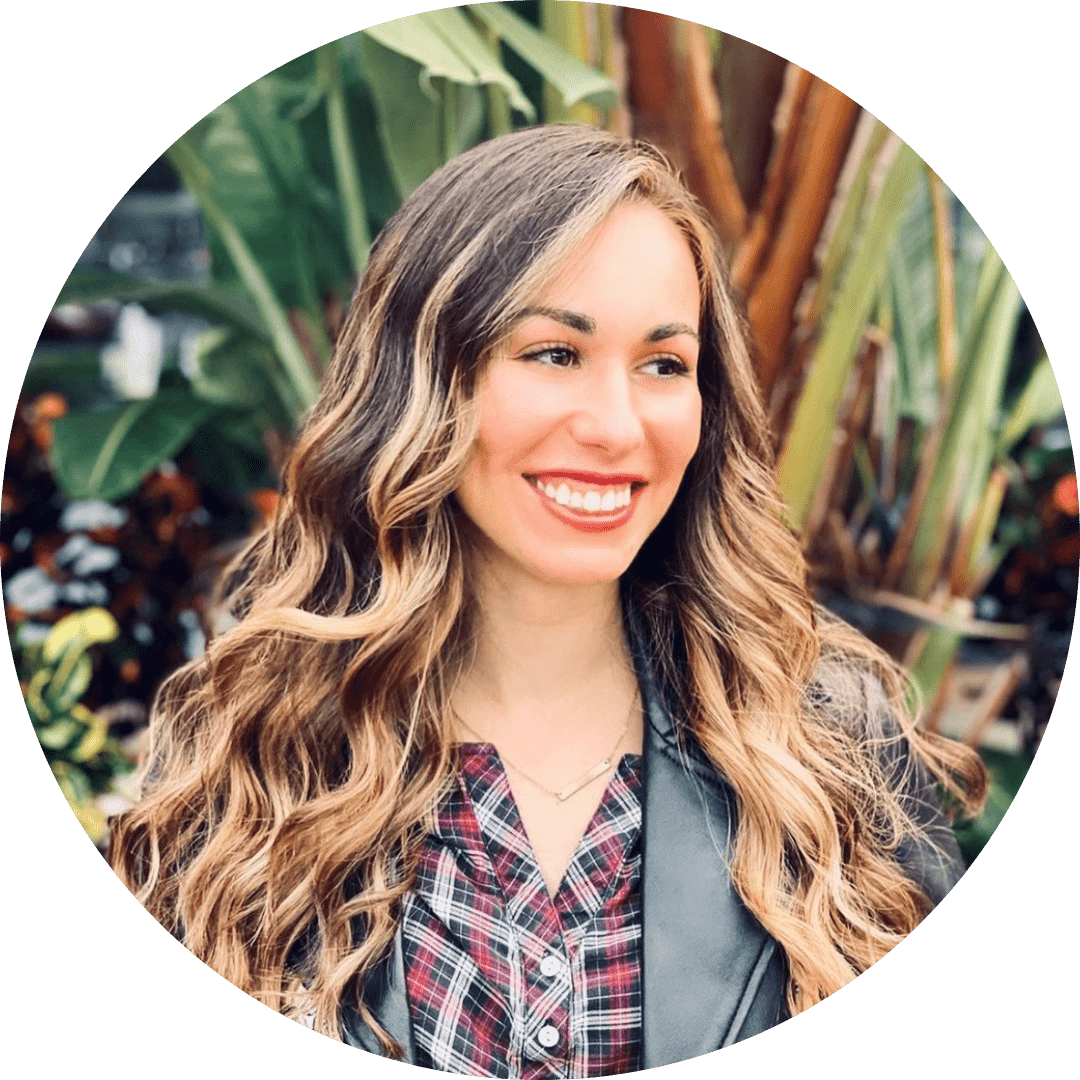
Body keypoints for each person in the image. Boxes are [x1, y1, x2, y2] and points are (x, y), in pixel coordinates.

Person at [109, 124, 987, 1075]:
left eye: (664, 365)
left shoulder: (830, 745)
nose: (616, 428)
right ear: (422, 383)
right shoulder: (251, 758)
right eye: (553, 353)